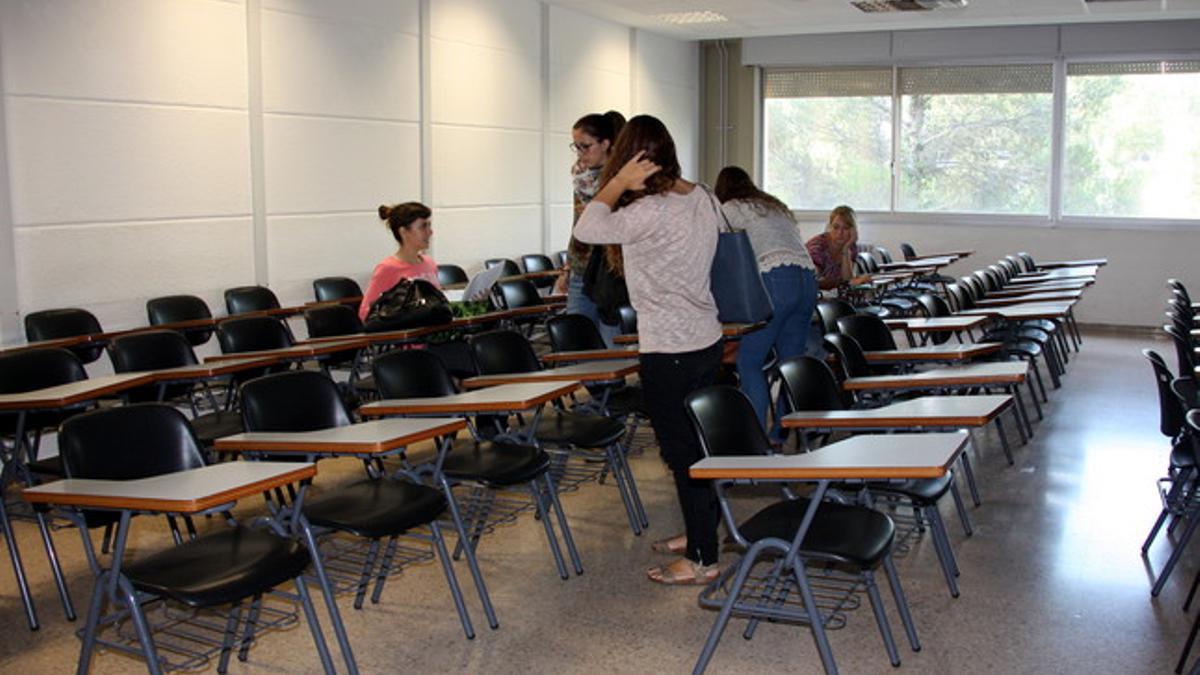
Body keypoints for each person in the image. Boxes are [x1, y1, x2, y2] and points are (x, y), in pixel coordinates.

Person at [574, 115, 724, 586]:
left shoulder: (650, 210)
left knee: (684, 454)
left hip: (669, 347)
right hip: (705, 338)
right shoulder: (699, 196)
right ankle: (703, 530)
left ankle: (702, 558)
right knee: (699, 446)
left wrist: (616, 182)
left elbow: (588, 229)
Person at [714, 166, 819, 439]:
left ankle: (756, 439)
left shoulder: (730, 207)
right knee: (790, 363)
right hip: (807, 279)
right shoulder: (772, 206)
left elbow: (720, 252)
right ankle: (781, 433)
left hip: (776, 280)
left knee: (749, 362)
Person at [557, 111, 626, 346]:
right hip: (581, 265)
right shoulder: (581, 177)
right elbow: (577, 224)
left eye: (585, 146)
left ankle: (611, 383)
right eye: (576, 147)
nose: (580, 154)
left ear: (606, 144)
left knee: (610, 340)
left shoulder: (621, 181)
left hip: (609, 270)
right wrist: (567, 267)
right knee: (577, 339)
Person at [359, 202, 439, 322]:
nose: (430, 232)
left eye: (429, 225)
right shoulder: (387, 268)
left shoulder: (429, 264)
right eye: (423, 226)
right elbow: (365, 313)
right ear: (404, 232)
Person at [806, 205, 872, 292]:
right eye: (836, 227)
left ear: (852, 230)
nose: (840, 233)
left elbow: (847, 279)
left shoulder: (850, 246)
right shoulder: (817, 247)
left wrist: (845, 249)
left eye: (846, 228)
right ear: (830, 227)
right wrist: (848, 282)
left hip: (833, 296)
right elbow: (812, 281)